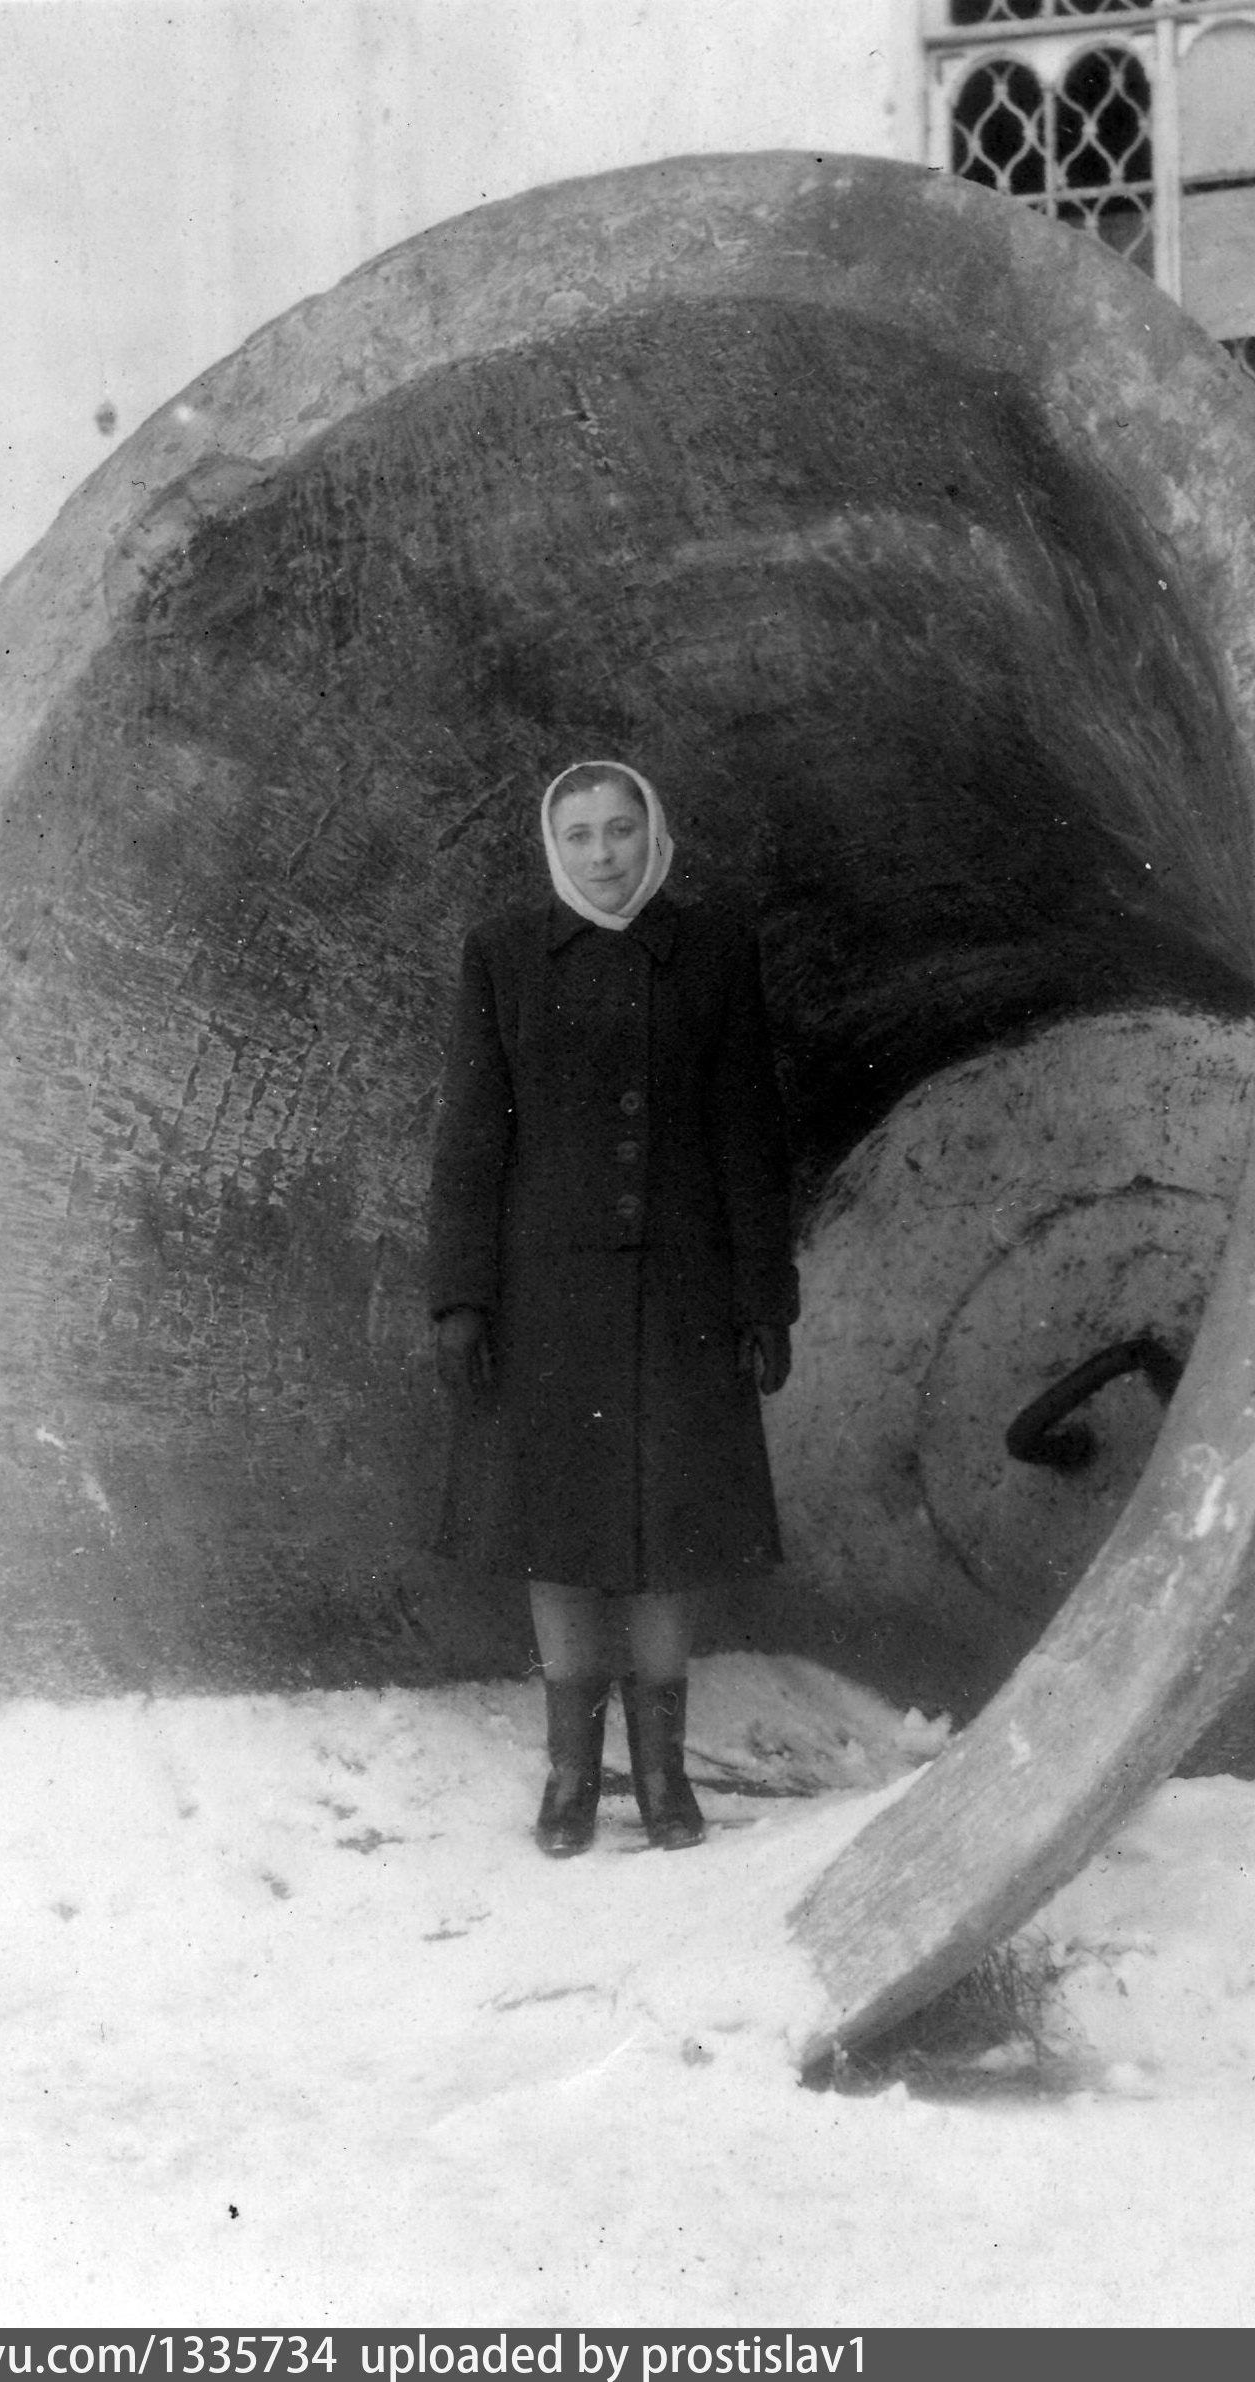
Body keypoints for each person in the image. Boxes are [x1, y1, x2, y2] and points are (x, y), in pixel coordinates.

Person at [427, 760, 798, 1857]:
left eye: (621, 830)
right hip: (546, 1295)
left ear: (653, 834)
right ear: (556, 847)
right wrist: (461, 1297)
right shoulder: (503, 954)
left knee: (666, 1532)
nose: (602, 854)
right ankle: (570, 1779)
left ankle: (664, 1775)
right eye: (580, 834)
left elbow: (747, 1134)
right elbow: (470, 1135)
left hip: (682, 1292)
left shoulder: (714, 951)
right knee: (559, 1531)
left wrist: (761, 1298)